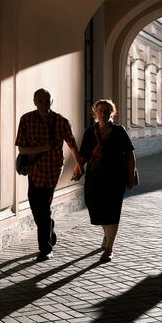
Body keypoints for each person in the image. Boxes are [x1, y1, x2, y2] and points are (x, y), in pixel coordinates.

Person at [15, 88, 84, 262]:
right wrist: (43, 148)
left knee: (43, 207)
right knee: (35, 205)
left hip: (52, 170)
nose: (45, 104)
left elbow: (72, 145)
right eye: (41, 101)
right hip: (34, 170)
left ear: (52, 102)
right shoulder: (26, 119)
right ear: (35, 102)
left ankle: (45, 249)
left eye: (48, 101)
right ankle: (50, 227)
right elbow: (21, 148)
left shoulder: (61, 122)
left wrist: (80, 166)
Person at [73, 99, 136, 262]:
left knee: (112, 210)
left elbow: (130, 155)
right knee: (96, 207)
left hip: (116, 177)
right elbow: (84, 156)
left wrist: (130, 176)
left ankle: (109, 248)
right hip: (95, 176)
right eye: (100, 110)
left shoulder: (119, 131)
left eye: (107, 110)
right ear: (95, 112)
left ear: (112, 113)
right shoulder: (89, 133)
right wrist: (78, 169)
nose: (103, 113)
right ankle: (107, 235)